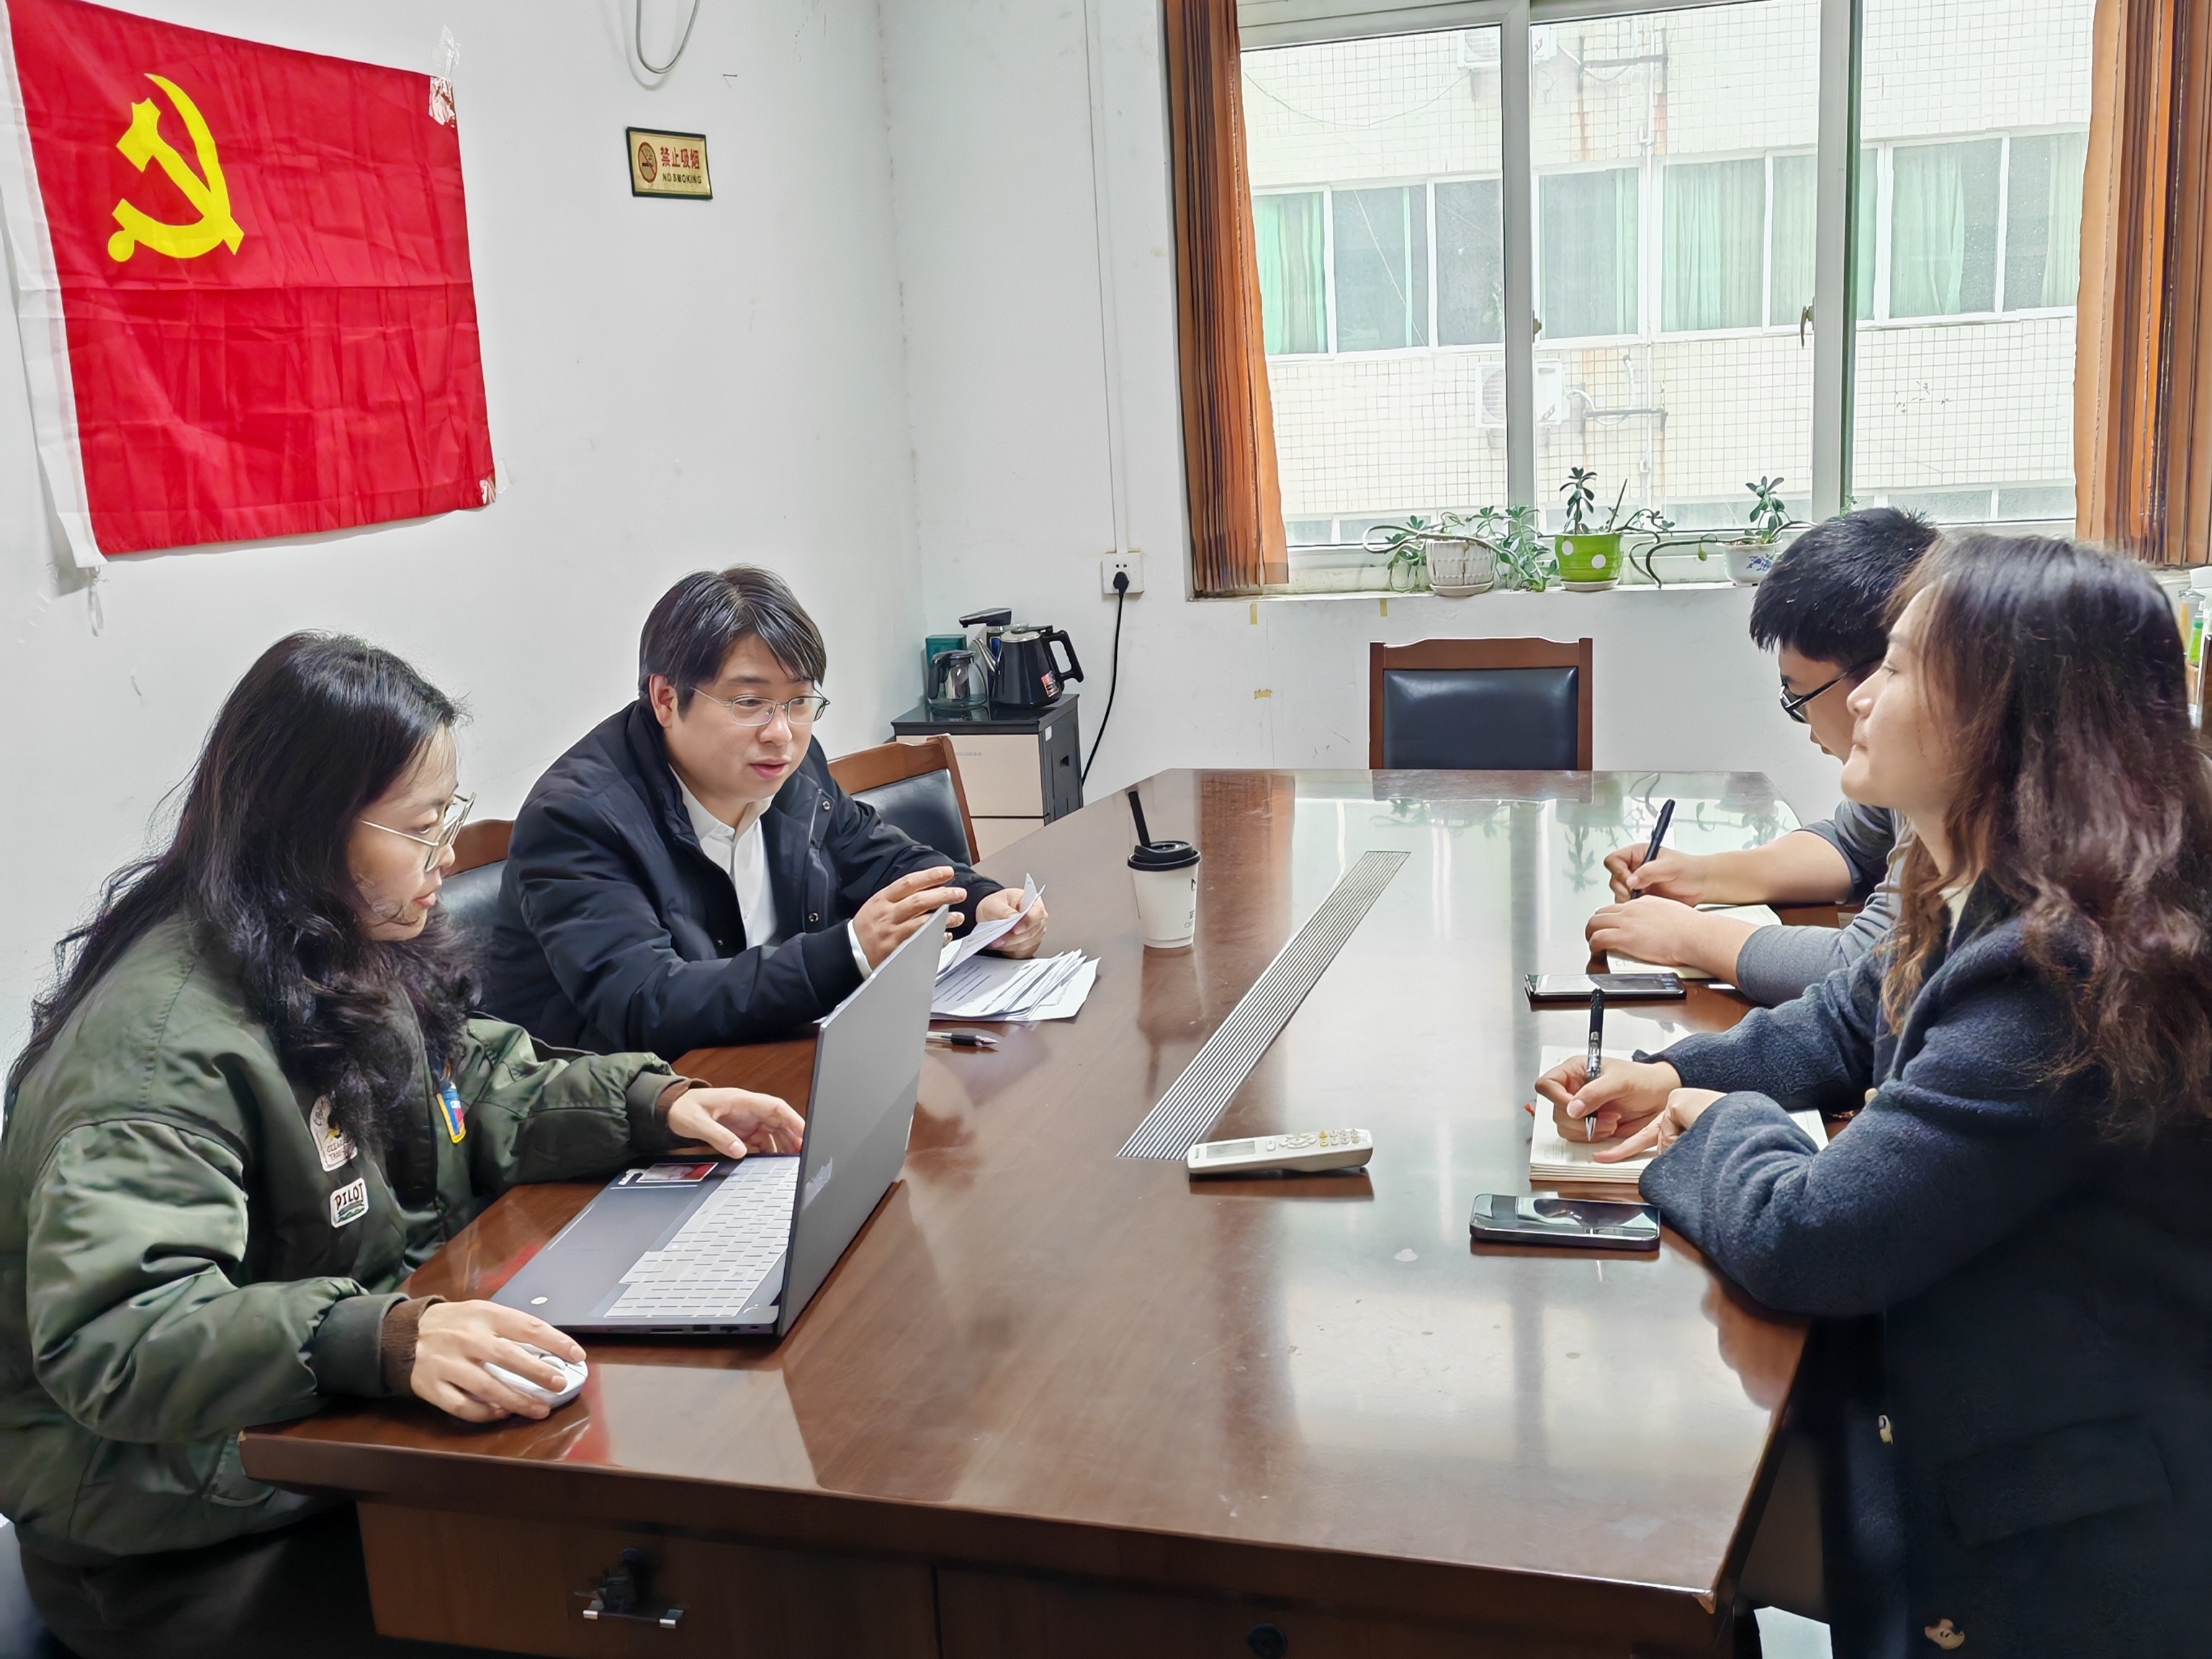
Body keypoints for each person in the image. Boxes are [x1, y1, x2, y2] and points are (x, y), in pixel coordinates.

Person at [0, 634, 805, 1659]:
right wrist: (378, 1339)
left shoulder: (327, 943)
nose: (448, 857)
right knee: (595, 1605)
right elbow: (118, 1335)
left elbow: (471, 1083)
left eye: (449, 818)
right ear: (311, 827)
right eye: (425, 826)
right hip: (183, 1534)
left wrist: (650, 1105)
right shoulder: (159, 1054)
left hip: (325, 1457)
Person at [1539, 536, 2212, 1655]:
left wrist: (1711, 1124)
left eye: (1893, 669)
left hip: (2069, 1553)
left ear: (1998, 711)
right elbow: (1852, 1016)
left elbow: (1816, 1235)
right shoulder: (1996, 875)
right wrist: (1667, 1070)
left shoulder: (2070, 965)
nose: (1859, 703)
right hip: (2018, 1452)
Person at [484, 567, 1047, 1056]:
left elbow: (878, 857)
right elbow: (645, 1003)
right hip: (631, 1121)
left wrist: (981, 905)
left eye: (799, 702)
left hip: (770, 1065)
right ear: (664, 699)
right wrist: (846, 953)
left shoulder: (792, 769)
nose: (781, 733)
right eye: (749, 703)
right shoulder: (577, 818)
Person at [1586, 508, 1936, 1004]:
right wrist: (1702, 876)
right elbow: (1851, 845)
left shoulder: (1958, 785)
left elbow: (1870, 969)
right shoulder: (1907, 766)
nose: (1808, 723)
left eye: (1799, 698)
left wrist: (1690, 936)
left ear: (1886, 670)